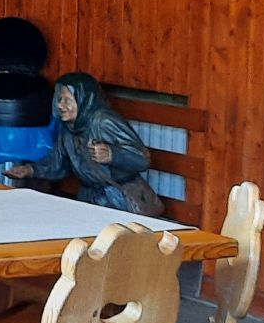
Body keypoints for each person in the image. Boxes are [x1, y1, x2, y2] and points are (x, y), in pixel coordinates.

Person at [9, 71, 162, 216]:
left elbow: (142, 159)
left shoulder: (103, 121)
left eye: (68, 100)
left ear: (84, 101)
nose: (61, 105)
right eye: (60, 99)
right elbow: (58, 164)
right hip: (89, 199)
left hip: (118, 200)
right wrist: (30, 170)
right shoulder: (69, 128)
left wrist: (112, 154)